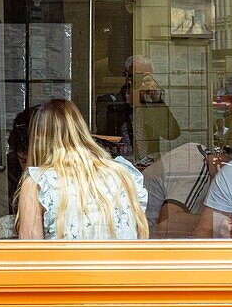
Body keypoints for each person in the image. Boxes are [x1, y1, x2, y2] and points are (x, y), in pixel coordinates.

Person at [16, 99, 149, 240]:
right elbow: (142, 238)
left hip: (68, 262)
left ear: (38, 140)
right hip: (121, 262)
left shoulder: (38, 183)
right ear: (81, 130)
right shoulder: (124, 174)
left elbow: (30, 255)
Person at [143, 142, 232, 238]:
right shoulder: (200, 168)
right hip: (146, 237)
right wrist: (218, 222)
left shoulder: (196, 150)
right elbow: (166, 225)